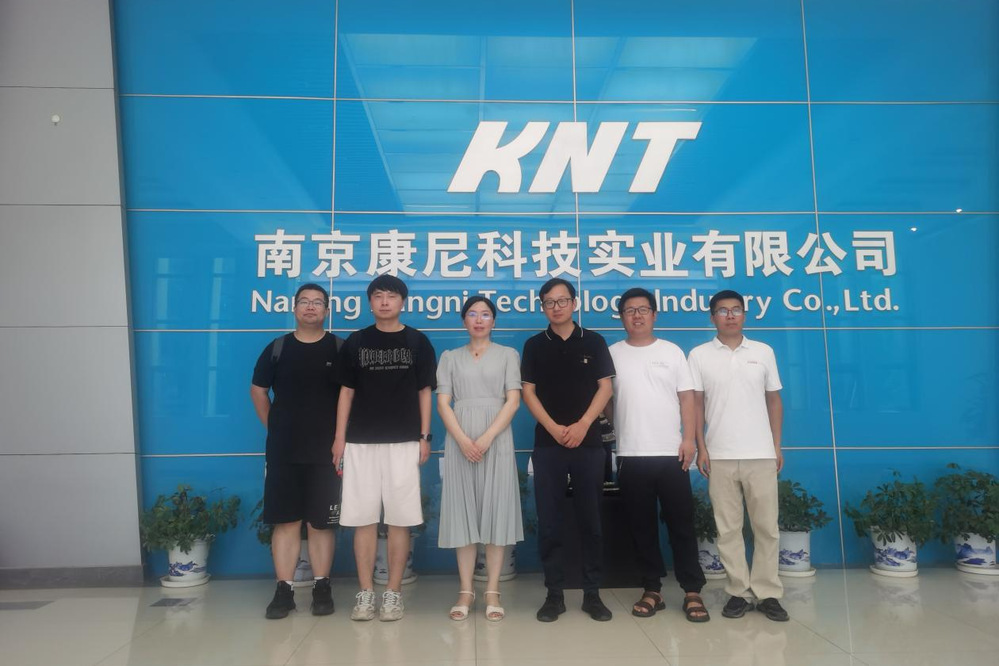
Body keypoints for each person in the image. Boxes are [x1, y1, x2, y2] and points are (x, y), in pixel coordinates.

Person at [332, 274, 437, 622]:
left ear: (403, 302)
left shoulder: (417, 341)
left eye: (391, 296)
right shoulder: (357, 341)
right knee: (362, 519)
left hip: (404, 441)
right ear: (370, 302)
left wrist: (424, 436)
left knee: (399, 520)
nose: (385, 301)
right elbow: (346, 392)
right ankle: (365, 593)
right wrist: (339, 437)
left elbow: (425, 392)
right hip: (360, 441)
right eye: (378, 296)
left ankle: (393, 593)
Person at [608, 287, 709, 622]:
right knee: (641, 527)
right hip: (631, 454)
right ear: (622, 317)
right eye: (629, 310)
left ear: (653, 314)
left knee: (681, 524)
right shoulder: (612, 354)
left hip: (671, 453)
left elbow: (687, 398)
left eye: (643, 309)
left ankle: (692, 590)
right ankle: (652, 589)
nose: (636, 315)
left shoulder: (672, 351)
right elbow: (606, 401)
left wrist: (690, 440)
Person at [689, 289, 788, 622]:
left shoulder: (763, 352)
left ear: (744, 315)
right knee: (728, 529)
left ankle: (768, 593)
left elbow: (774, 401)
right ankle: (738, 592)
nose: (729, 316)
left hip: (760, 453)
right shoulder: (699, 355)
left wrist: (776, 446)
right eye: (722, 310)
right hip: (719, 454)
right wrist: (701, 448)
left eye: (735, 310)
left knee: (766, 527)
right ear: (712, 317)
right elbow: (696, 405)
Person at [521, 277, 615, 622]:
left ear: (574, 304)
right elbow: (528, 392)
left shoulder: (594, 341)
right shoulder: (534, 345)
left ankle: (592, 594)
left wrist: (582, 425)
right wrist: (553, 428)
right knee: (550, 521)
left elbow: (605, 388)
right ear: (543, 307)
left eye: (562, 300)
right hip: (549, 445)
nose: (556, 307)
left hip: (588, 443)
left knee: (591, 520)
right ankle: (554, 595)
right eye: (549, 302)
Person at [250, 283, 343, 619]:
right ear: (294, 308)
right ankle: (284, 590)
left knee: (321, 524)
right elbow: (258, 390)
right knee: (286, 521)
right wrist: (275, 426)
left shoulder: (339, 348)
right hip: (284, 451)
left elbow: (350, 397)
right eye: (304, 301)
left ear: (327, 310)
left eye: (317, 302)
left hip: (327, 453)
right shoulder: (277, 348)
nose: (310, 307)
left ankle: (322, 587)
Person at [437, 296, 523, 622]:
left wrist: (487, 438)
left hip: (496, 439)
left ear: (493, 321)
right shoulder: (449, 357)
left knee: (496, 512)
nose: (478, 319)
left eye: (485, 314)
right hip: (460, 439)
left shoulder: (508, 355)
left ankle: (492, 591)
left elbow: (513, 401)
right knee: (464, 513)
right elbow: (443, 403)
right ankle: (465, 590)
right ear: (464, 321)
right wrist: (462, 440)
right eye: (472, 314)